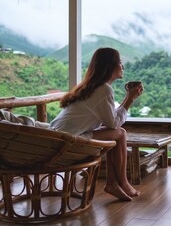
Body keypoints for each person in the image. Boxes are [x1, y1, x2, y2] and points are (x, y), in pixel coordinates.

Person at [50, 47, 143, 201]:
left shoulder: (92, 86)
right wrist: (130, 99)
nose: (123, 67)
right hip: (67, 143)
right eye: (120, 63)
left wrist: (128, 98)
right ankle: (122, 183)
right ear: (110, 66)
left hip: (59, 137)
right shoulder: (103, 89)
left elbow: (111, 120)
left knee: (116, 133)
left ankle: (114, 183)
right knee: (120, 133)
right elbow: (114, 123)